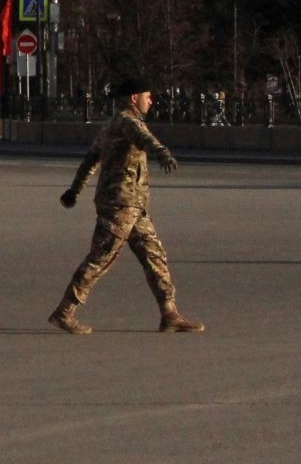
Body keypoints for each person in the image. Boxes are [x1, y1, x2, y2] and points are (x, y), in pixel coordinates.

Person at [49, 78, 203, 335]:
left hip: (133, 205)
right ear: (134, 98)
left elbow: (90, 160)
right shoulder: (126, 122)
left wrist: (75, 190)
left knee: (155, 256)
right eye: (147, 96)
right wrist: (162, 151)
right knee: (101, 258)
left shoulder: (111, 124)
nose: (151, 101)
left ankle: (169, 313)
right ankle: (64, 311)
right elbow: (143, 138)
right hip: (120, 204)